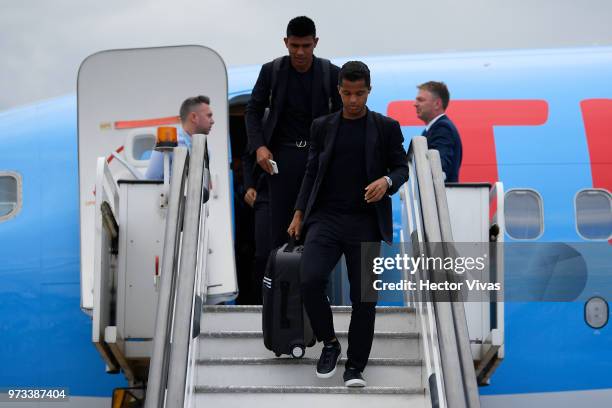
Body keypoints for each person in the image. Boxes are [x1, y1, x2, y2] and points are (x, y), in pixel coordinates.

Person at [287, 61, 409, 387]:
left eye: (359, 94)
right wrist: (299, 212)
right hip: (325, 219)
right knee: (310, 279)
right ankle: (330, 343)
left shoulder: (386, 127)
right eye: (347, 93)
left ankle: (355, 367)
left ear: (369, 92)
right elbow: (311, 173)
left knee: (365, 298)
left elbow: (402, 169)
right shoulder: (322, 127)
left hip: (366, 222)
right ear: (339, 91)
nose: (353, 100)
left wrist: (386, 181)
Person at [244, 16, 342, 250]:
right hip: (280, 158)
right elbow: (252, 111)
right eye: (294, 46)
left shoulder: (331, 73)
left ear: (315, 42)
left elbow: (343, 117)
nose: (299, 52)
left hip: (316, 160)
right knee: (277, 235)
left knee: (314, 232)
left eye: (306, 46)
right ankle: (278, 282)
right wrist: (259, 146)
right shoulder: (271, 71)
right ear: (285, 42)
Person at [145, 95, 214, 180]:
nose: (212, 121)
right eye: (209, 116)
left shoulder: (205, 150)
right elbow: (150, 182)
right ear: (194, 117)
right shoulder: (169, 143)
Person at [414, 81, 462, 182]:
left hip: (440, 196)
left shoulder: (443, 129)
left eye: (421, 100)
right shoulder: (431, 130)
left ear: (437, 104)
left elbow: (439, 168)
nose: (415, 104)